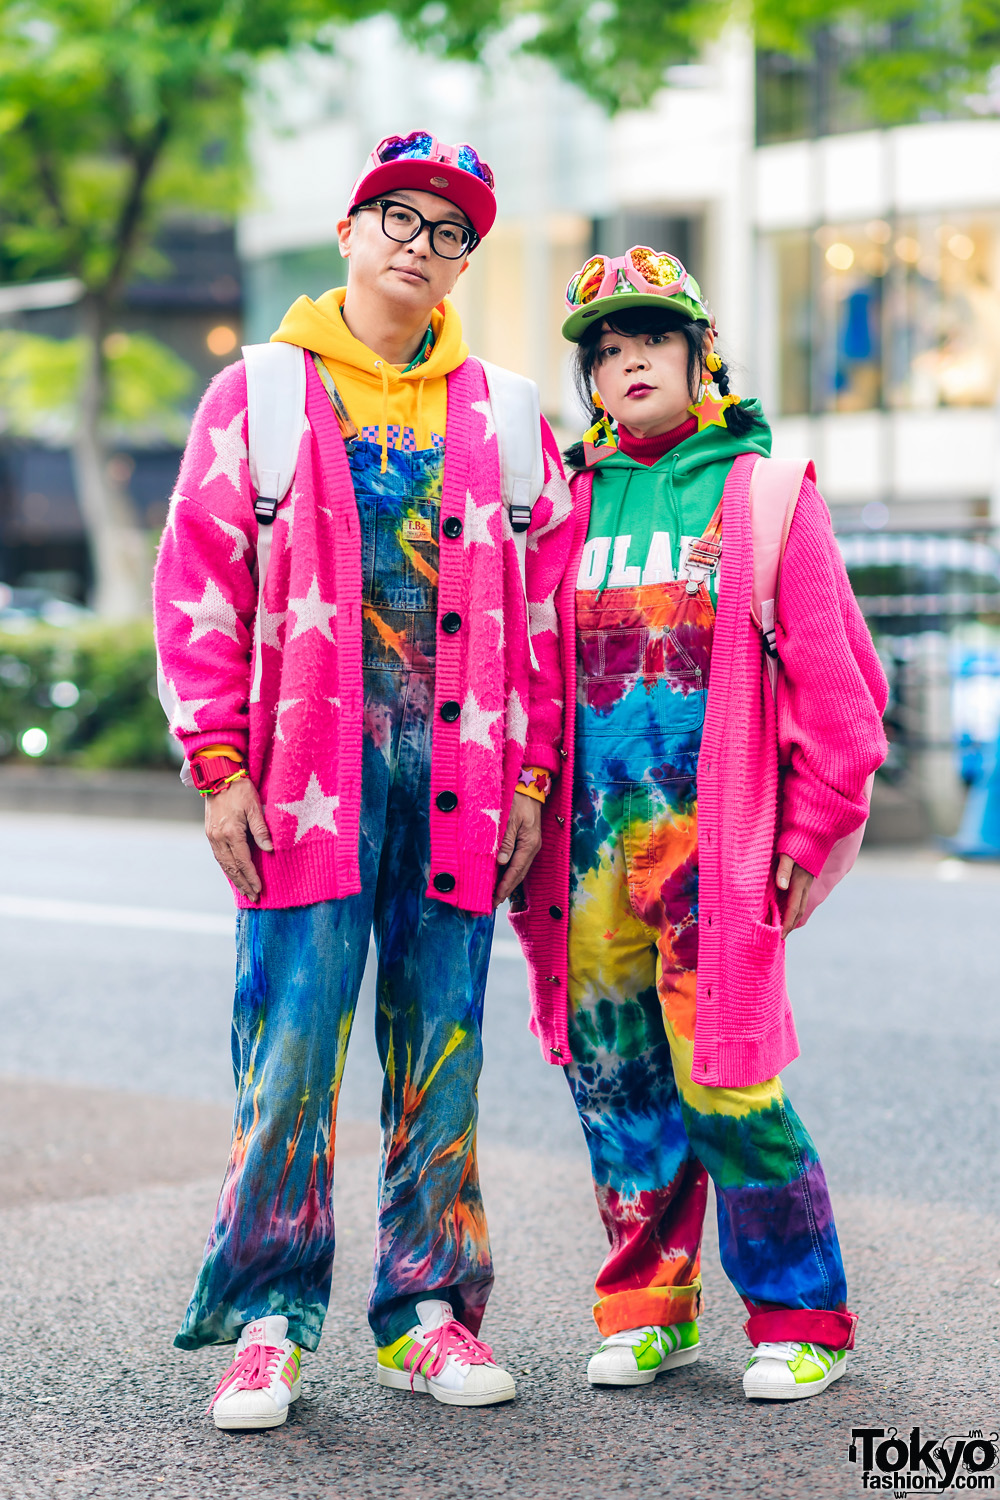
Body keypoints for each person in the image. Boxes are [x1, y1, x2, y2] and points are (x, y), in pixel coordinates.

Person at [153, 130, 574, 1428]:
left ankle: (428, 1313)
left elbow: (547, 615)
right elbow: (199, 584)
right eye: (396, 215)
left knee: (441, 1052)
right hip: (300, 787)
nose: (419, 243)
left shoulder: (505, 415)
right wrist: (217, 766)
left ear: (464, 266)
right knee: (288, 1055)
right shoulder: (262, 395)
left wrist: (531, 787)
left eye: (449, 231)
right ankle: (270, 1317)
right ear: (347, 231)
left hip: (458, 783)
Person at [508, 247, 888, 1402]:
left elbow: (842, 693)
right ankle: (644, 1306)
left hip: (709, 852)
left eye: (650, 342)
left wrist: (810, 835)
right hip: (586, 863)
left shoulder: (764, 492)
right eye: (605, 350)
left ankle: (799, 1313)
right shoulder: (566, 501)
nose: (627, 362)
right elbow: (524, 672)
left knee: (728, 1081)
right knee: (616, 1081)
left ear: (697, 354)